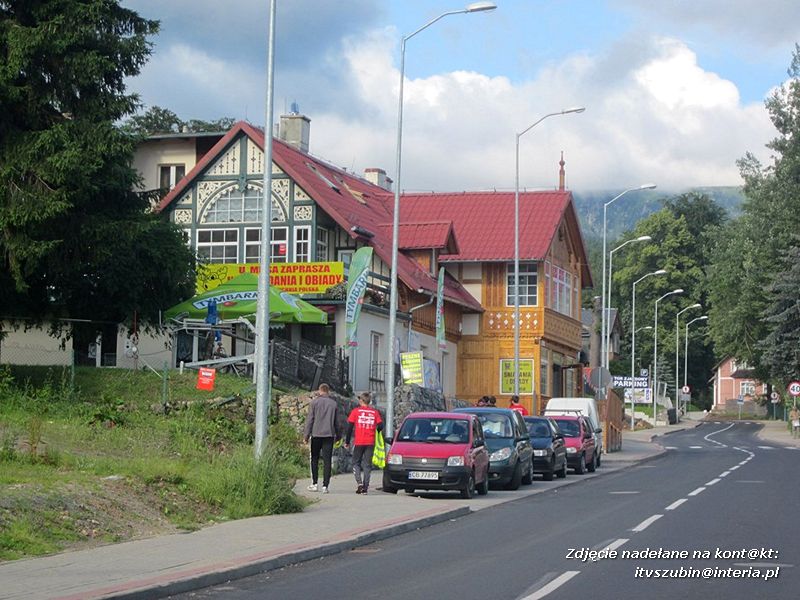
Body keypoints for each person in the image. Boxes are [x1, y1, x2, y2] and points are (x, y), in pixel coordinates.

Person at [303, 383, 340, 494]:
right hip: (328, 435)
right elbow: (337, 422)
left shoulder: (314, 403)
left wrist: (306, 435)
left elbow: (310, 420)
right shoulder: (333, 404)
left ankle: (314, 483)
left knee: (314, 458)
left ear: (320, 391)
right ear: (328, 391)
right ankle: (325, 486)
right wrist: (338, 435)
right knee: (327, 461)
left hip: (316, 434)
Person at [344, 392, 383, 494]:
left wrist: (347, 442)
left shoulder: (355, 411)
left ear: (361, 400)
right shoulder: (375, 412)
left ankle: (359, 483)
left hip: (359, 442)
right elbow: (381, 425)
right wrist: (376, 431)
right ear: (369, 401)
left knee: (355, 463)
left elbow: (349, 427)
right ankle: (365, 487)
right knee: (367, 465)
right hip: (370, 442)